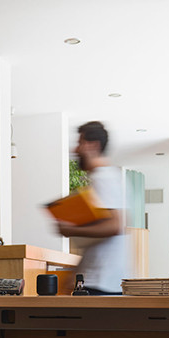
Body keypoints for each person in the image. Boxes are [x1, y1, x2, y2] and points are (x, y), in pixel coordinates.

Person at [56, 121, 128, 295]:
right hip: (99, 280)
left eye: (80, 143)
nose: (76, 150)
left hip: (102, 283)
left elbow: (114, 226)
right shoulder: (106, 177)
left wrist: (72, 229)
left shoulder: (104, 177)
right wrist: (75, 272)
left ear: (93, 145)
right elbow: (97, 239)